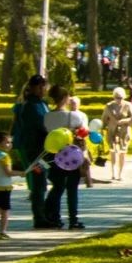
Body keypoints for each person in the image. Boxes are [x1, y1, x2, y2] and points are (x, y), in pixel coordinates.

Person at [42, 92, 89, 230]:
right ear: (64, 99)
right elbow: (82, 133)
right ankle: (73, 219)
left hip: (54, 154)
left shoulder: (47, 116)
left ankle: (55, 217)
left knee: (57, 186)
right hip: (71, 155)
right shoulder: (72, 116)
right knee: (72, 188)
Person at [10, 77, 49, 226]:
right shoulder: (29, 106)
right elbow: (41, 124)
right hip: (35, 149)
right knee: (39, 182)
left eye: (43, 86)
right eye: (39, 87)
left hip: (45, 149)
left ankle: (45, 212)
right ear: (32, 87)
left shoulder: (43, 103)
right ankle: (39, 216)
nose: (42, 89)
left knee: (43, 181)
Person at [101, 87, 132, 183]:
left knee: (123, 152)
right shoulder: (109, 106)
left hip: (124, 131)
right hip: (112, 131)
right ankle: (113, 172)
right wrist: (103, 128)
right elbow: (104, 118)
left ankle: (121, 173)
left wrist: (123, 121)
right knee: (113, 151)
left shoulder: (128, 105)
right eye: (116, 97)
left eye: (120, 98)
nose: (118, 100)